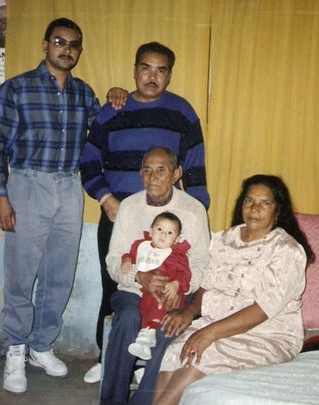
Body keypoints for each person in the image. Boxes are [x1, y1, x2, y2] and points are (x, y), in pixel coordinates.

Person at [0, 17, 126, 395]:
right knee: (21, 273)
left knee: (59, 275)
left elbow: (105, 132)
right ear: (45, 45)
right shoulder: (16, 89)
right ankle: (15, 348)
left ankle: (40, 345)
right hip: (27, 183)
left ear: (79, 51)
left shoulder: (83, 94)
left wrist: (114, 97)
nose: (67, 49)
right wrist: (1, 195)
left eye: (73, 44)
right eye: (59, 42)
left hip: (68, 187)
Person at [79, 41, 210, 384]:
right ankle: (108, 356)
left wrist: (194, 218)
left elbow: (194, 166)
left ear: (169, 74)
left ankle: (148, 361)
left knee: (167, 288)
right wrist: (106, 199)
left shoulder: (182, 111)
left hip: (166, 220)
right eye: (145, 68)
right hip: (119, 215)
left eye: (160, 70)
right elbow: (88, 159)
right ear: (135, 70)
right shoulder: (112, 108)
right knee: (117, 288)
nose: (152, 76)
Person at [151, 174, 314, 405]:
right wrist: (189, 313)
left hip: (267, 334)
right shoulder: (224, 239)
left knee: (200, 354)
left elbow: (262, 310)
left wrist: (208, 333)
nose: (255, 208)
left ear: (278, 211)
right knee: (174, 353)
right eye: (249, 201)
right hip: (214, 323)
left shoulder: (287, 250)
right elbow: (205, 286)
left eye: (264, 203)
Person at [101, 146, 211, 404]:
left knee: (168, 329)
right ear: (140, 175)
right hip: (132, 292)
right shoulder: (129, 207)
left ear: (176, 174)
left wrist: (179, 286)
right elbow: (114, 260)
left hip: (175, 294)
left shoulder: (193, 209)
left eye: (161, 170)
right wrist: (139, 277)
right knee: (127, 319)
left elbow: (203, 263)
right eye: (147, 171)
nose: (153, 177)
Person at [123, 211, 191, 361]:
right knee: (142, 309)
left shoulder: (177, 256)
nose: (163, 235)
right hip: (145, 291)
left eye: (170, 233)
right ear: (150, 230)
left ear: (176, 239)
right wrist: (127, 260)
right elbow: (132, 255)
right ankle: (144, 348)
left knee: (158, 302)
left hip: (166, 291)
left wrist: (176, 284)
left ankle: (150, 333)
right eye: (159, 229)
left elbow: (185, 274)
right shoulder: (141, 246)